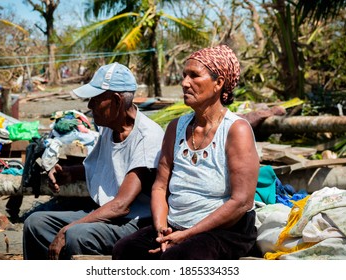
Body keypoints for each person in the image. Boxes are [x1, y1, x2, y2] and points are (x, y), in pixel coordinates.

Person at [112, 45, 260, 260]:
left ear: (218, 83)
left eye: (194, 76)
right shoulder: (176, 128)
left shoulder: (236, 130)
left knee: (177, 259)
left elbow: (241, 202)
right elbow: (160, 186)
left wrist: (188, 234)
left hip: (225, 230)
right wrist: (162, 229)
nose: (184, 83)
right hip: (176, 224)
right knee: (125, 250)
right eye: (184, 75)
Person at [23, 62, 165, 260]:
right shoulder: (109, 128)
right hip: (108, 214)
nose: (89, 106)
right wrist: (70, 172)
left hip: (134, 221)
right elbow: (104, 164)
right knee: (35, 224)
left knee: (76, 235)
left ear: (116, 101)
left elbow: (121, 206)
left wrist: (68, 228)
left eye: (95, 100)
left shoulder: (147, 137)